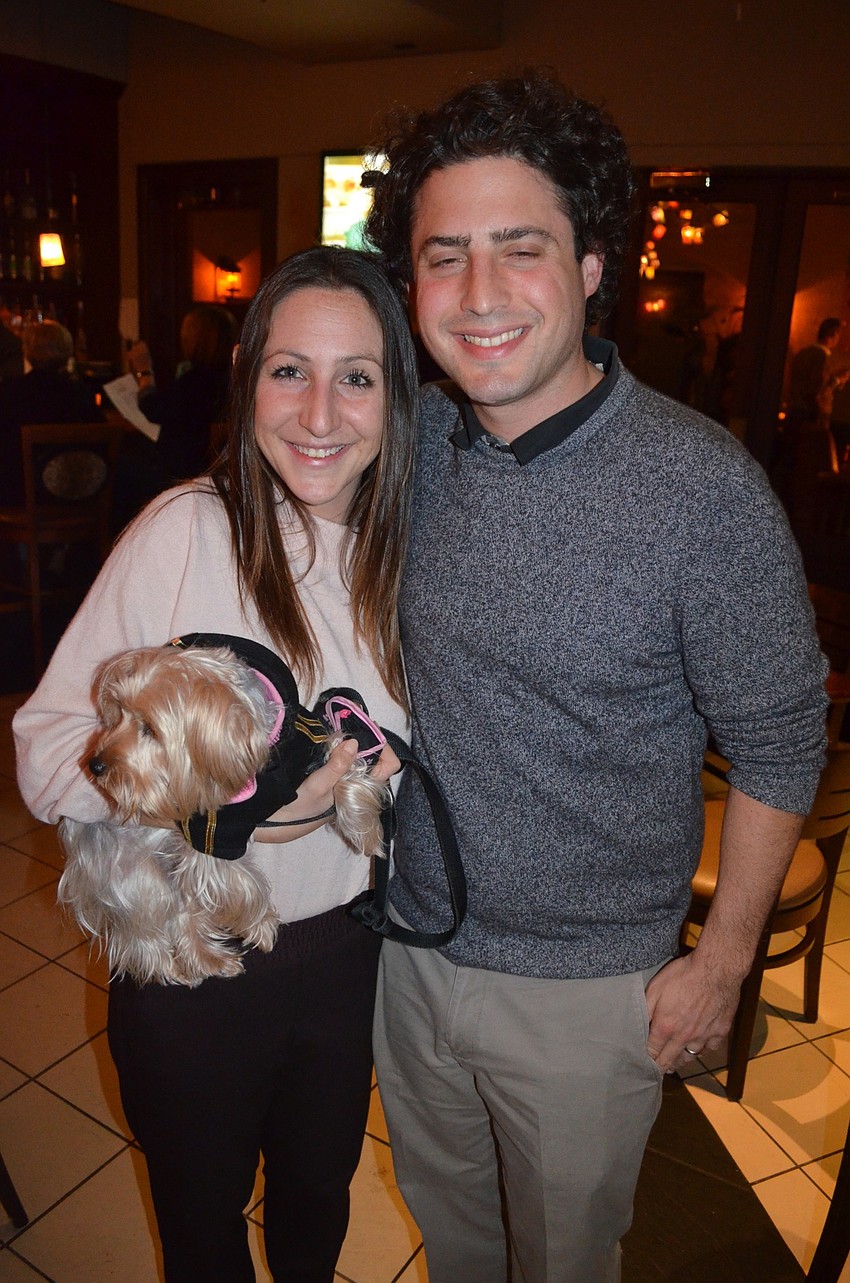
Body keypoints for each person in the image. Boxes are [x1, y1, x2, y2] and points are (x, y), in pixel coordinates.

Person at [362, 69, 829, 1283]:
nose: (477, 295)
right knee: (453, 1230)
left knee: (567, 1258)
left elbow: (782, 737)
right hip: (408, 951)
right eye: (443, 255)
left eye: (519, 249)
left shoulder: (698, 489)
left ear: (588, 267)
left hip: (587, 991)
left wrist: (718, 964)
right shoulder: (407, 449)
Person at [13, 245, 418, 1283]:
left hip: (348, 956)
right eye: (290, 369)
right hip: (193, 962)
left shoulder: (417, 554)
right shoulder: (184, 531)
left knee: (316, 1207)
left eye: (356, 376)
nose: (319, 413)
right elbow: (47, 752)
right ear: (248, 379)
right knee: (201, 1226)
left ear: (396, 396)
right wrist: (224, 816)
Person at [0, 318, 102, 504]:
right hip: (75, 495)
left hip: (16, 496)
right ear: (67, 352)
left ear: (27, 351)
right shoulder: (80, 393)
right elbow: (100, 437)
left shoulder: (9, 393)